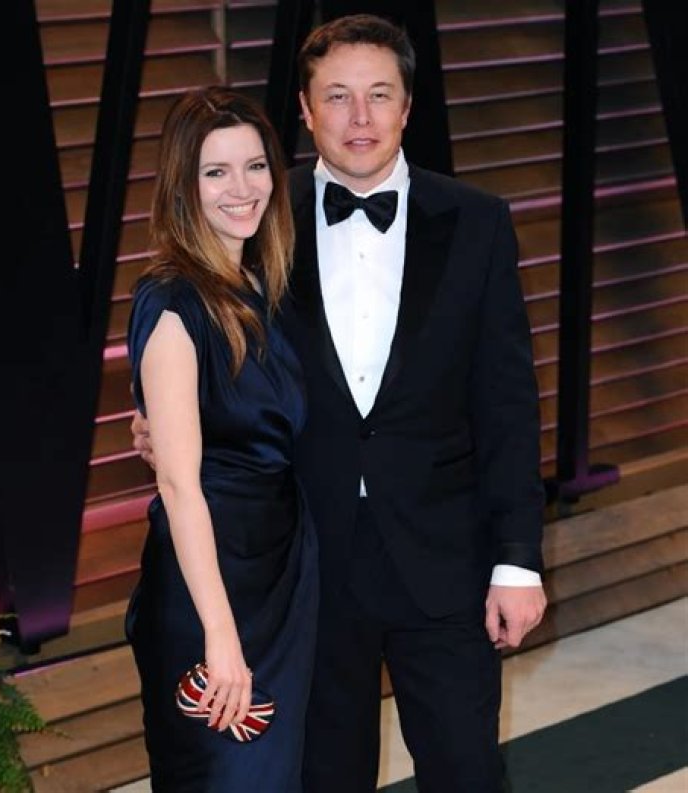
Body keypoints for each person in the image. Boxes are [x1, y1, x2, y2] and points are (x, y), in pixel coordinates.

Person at [134, 14, 546, 793]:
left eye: (379, 94)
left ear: (408, 107)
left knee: (467, 771)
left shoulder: (478, 222)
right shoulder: (257, 219)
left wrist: (518, 557)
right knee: (325, 778)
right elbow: (212, 354)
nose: (360, 117)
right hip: (305, 567)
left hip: (444, 559)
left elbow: (507, 402)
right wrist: (172, 425)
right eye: (337, 96)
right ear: (304, 107)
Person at [125, 86, 318, 792]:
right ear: (184, 186)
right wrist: (220, 634)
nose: (242, 188)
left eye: (255, 166)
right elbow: (180, 485)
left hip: (280, 574)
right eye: (216, 172)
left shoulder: (261, 286)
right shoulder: (173, 302)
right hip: (210, 587)